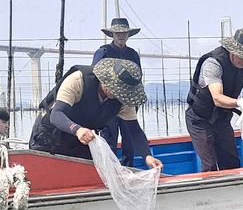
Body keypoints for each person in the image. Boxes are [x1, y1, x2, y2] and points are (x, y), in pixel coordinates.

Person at [29, 58, 163, 169]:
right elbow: (57, 114)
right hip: (49, 138)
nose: (120, 96)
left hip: (82, 142)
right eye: (118, 91)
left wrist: (147, 156)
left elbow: (135, 131)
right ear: (106, 82)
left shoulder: (123, 99)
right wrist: (77, 130)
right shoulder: (78, 80)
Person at [186, 28, 243, 171]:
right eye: (242, 57)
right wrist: (239, 102)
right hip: (200, 119)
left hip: (222, 119)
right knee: (210, 165)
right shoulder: (213, 63)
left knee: (232, 164)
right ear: (232, 50)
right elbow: (217, 98)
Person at [93, 18, 143, 166]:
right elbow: (94, 75)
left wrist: (135, 103)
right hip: (108, 103)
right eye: (118, 33)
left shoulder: (133, 54)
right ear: (112, 34)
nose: (121, 36)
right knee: (109, 138)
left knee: (129, 138)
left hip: (127, 102)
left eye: (124, 33)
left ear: (128, 34)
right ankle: (110, 170)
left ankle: (129, 169)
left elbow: (138, 78)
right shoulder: (103, 51)